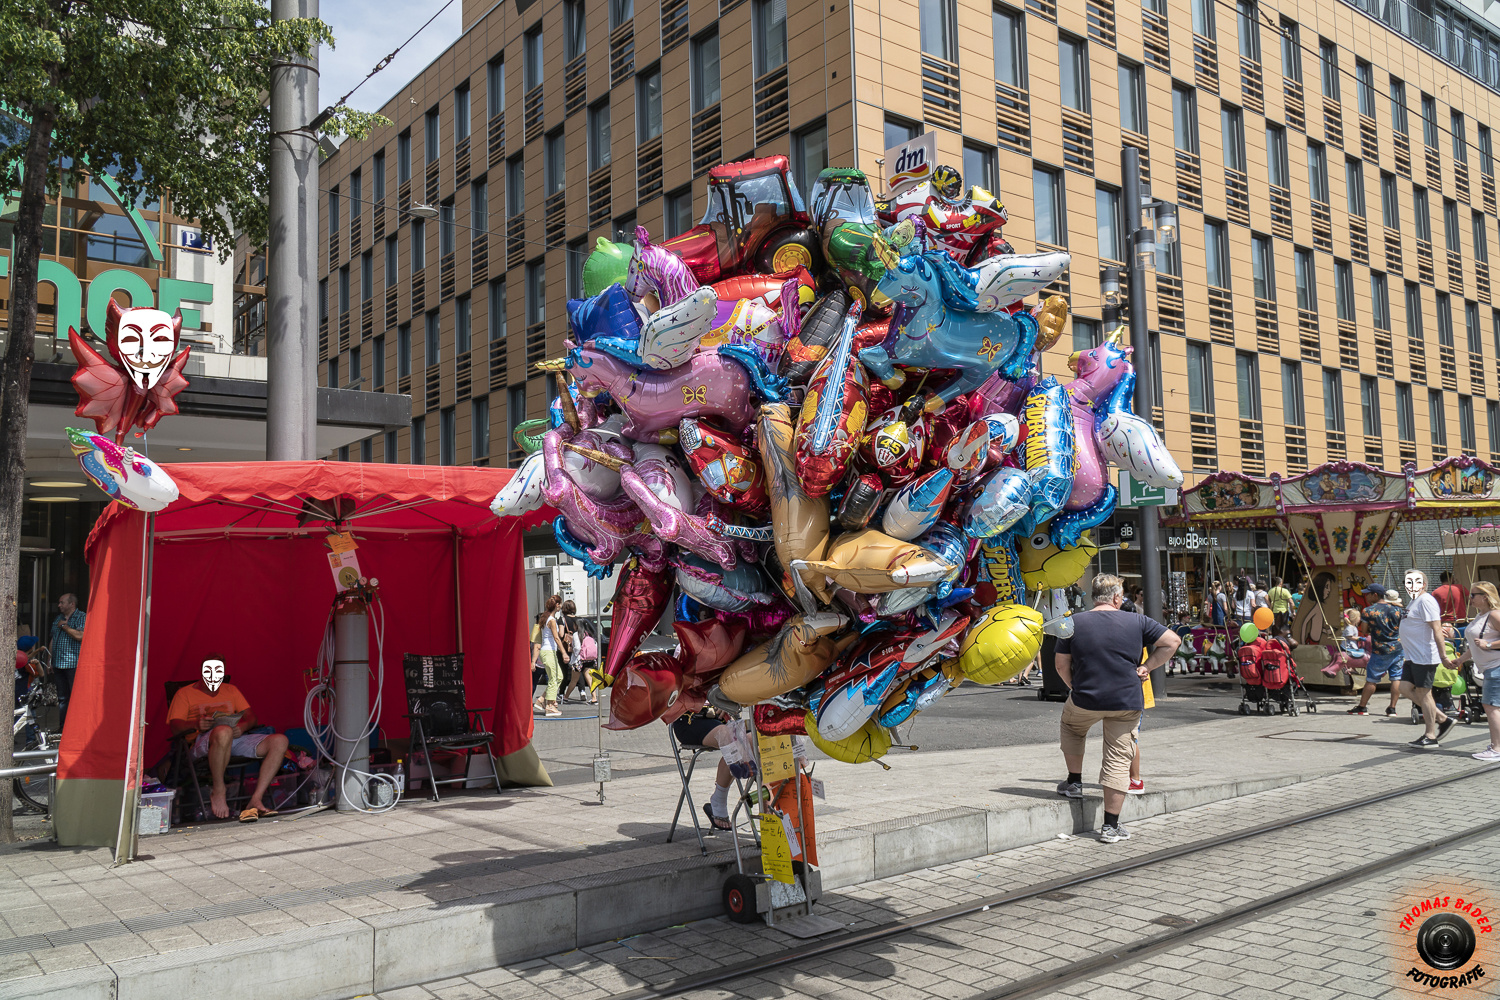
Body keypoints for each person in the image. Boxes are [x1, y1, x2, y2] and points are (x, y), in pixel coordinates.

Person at [1054, 574, 1182, 843]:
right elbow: (1172, 642)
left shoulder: (1073, 623)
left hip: (1085, 698)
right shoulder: (1137, 621)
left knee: (1072, 727)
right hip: (1126, 700)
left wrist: (1073, 686)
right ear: (1115, 598)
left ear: (1094, 597)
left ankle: (1074, 782)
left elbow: (1060, 665)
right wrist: (1147, 667)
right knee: (1117, 757)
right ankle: (1110, 827)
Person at [167, 656, 290, 821]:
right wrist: (196, 723)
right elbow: (175, 726)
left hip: (234, 739)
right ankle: (218, 790)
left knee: (280, 740)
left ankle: (256, 799)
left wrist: (242, 727)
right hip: (201, 742)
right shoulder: (185, 693)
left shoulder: (231, 690)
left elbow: (252, 718)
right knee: (223, 731)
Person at [1398, 569, 1458, 749]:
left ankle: (1430, 735)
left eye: (1415, 582)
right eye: (1408, 582)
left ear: (1423, 584)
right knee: (1404, 688)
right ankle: (1442, 718)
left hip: (1424, 656)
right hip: (1412, 656)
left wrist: (1443, 656)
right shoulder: (1415, 601)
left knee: (1425, 694)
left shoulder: (1426, 601)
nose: (1410, 586)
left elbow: (1437, 630)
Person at [672, 708, 740, 830]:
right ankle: (719, 800)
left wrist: (726, 701)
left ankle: (771, 812)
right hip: (690, 720)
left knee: (760, 738)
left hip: (719, 720)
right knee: (732, 739)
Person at [1456, 582, 1500, 762]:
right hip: (1489, 667)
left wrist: (1489, 645)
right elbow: (1474, 645)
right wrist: (1460, 660)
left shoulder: (1494, 615)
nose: (1470, 599)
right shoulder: (1480, 616)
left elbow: (1483, 643)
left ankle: (1496, 748)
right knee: (1492, 707)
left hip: (1495, 667)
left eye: (1473, 595)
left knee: (1491, 707)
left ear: (1485, 596)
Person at [1349, 589, 1405, 716]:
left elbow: (1363, 630)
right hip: (1398, 648)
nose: (1366, 596)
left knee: (1372, 679)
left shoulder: (1369, 610)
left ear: (1375, 594)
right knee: (1396, 678)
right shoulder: (1398, 610)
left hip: (1379, 649)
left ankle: (1362, 707)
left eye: (1368, 594)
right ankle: (1392, 708)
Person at [45, 593, 86, 724]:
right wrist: (49, 660)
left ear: (71, 604)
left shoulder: (81, 617)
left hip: (73, 664)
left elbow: (81, 636)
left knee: (76, 697)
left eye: (62, 602)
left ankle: (75, 727)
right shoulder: (58, 618)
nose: (59, 605)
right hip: (58, 664)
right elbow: (53, 639)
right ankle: (62, 727)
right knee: (62, 698)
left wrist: (65, 626)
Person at [536, 595, 565, 717]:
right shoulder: (552, 621)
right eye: (560, 604)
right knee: (554, 679)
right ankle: (549, 706)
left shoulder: (547, 618)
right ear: (557, 605)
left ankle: (542, 699)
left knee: (559, 676)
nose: (561, 606)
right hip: (548, 651)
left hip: (548, 651)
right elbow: (557, 638)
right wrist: (563, 652)